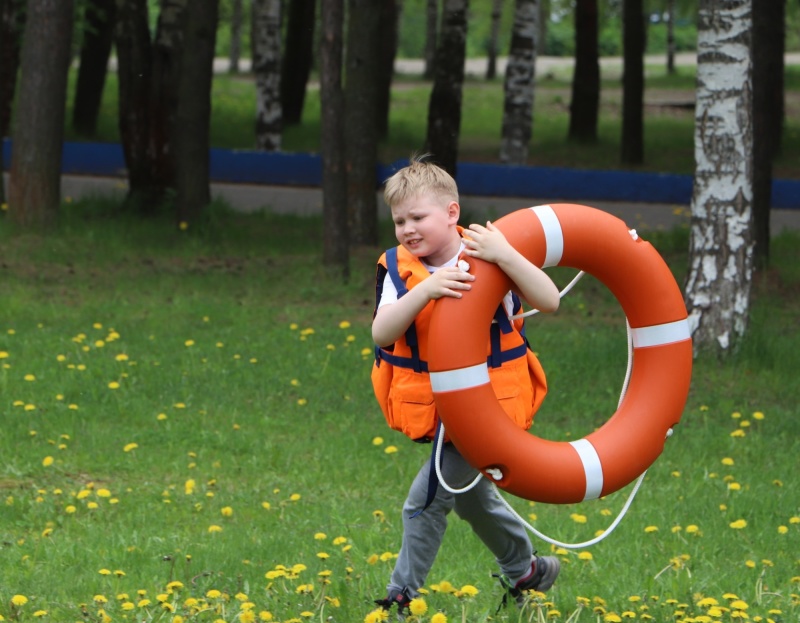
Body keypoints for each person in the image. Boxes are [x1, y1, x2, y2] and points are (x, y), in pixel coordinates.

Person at [370, 157, 562, 618]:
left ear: (452, 213)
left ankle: (401, 597)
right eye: (399, 221)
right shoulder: (402, 270)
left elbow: (549, 300)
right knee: (473, 499)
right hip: (439, 410)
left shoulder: (488, 254)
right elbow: (382, 332)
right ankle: (526, 570)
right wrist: (427, 290)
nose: (408, 229)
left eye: (418, 217)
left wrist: (507, 257)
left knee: (426, 501)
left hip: (485, 410)